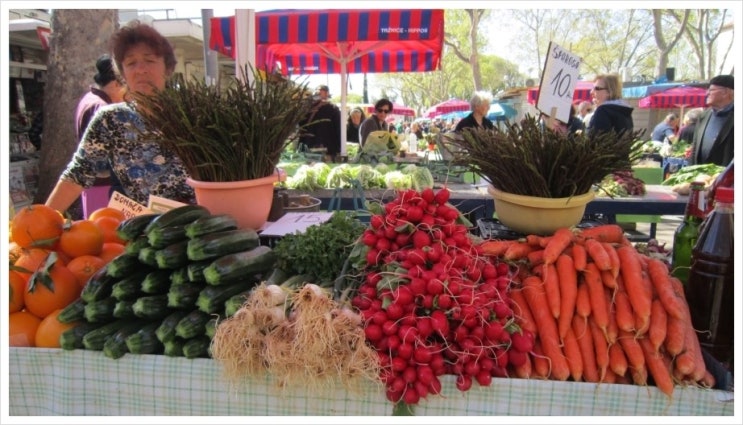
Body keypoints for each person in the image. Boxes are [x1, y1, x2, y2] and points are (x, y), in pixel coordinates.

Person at [45, 21, 195, 213]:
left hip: (199, 227)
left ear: (167, 68)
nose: (141, 69)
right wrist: (39, 222)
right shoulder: (111, 119)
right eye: (131, 63)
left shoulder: (193, 114)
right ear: (122, 73)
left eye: (149, 60)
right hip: (141, 231)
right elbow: (77, 174)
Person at [74, 54, 126, 192]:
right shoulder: (101, 106)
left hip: (92, 182)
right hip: (101, 184)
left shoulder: (89, 98)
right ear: (116, 84)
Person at [689, 74, 734, 166]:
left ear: (725, 93)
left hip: (727, 177)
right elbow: (695, 148)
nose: (707, 93)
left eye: (711, 90)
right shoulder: (703, 116)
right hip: (701, 176)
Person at [298, 84, 342, 161]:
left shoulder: (333, 109)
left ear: (327, 94)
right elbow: (301, 125)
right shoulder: (307, 108)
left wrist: (338, 149)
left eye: (321, 92)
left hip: (327, 149)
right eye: (318, 93)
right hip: (311, 147)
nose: (320, 95)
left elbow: (338, 129)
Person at [586, 73, 634, 137]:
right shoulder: (623, 111)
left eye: (597, 88)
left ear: (609, 91)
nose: (591, 92)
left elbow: (594, 141)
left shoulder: (603, 111)